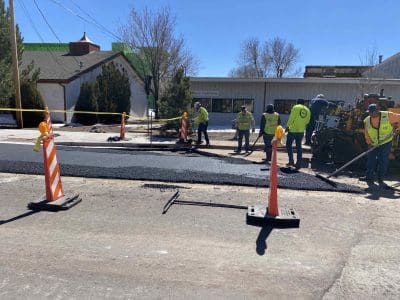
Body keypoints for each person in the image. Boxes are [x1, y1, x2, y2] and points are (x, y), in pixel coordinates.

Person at [363, 103, 400, 188]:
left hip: (385, 142)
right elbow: (366, 133)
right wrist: (369, 142)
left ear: (378, 110)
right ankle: (369, 179)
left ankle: (380, 179)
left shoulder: (388, 115)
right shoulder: (367, 120)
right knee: (370, 161)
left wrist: (398, 129)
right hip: (373, 143)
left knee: (383, 160)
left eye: (373, 112)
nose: (371, 114)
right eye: (370, 112)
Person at [286, 99, 311, 169]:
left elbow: (291, 117)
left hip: (293, 129)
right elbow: (307, 121)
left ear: (297, 102)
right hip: (301, 130)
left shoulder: (295, 107)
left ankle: (291, 161)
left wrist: (288, 126)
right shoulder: (307, 110)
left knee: (288, 144)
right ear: (304, 103)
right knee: (299, 146)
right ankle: (298, 163)